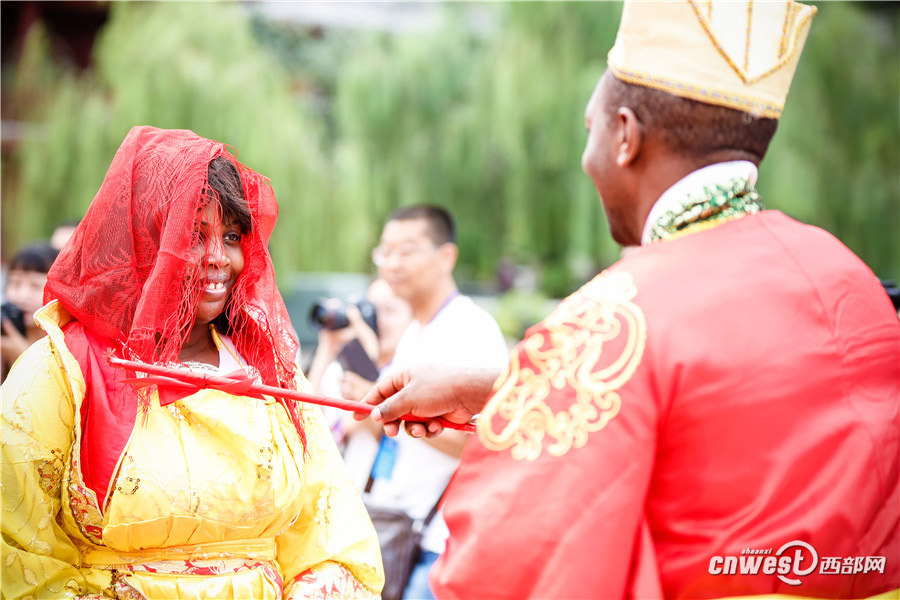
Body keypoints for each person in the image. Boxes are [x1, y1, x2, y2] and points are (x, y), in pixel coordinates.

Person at [362, 2, 900, 598]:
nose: (585, 156)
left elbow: (516, 556)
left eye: (590, 129)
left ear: (625, 135)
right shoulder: (848, 278)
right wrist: (507, 389)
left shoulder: (612, 319)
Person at [1, 126, 384, 599]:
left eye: (230, 235)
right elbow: (16, 548)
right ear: (145, 240)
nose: (218, 259)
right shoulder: (63, 369)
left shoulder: (269, 371)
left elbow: (329, 528)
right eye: (193, 235)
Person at [369, 205, 509, 600]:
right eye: (385, 251)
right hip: (405, 528)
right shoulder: (416, 330)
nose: (392, 262)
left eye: (407, 250)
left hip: (443, 539)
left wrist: (399, 412)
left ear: (446, 256)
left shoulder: (470, 328)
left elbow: (488, 439)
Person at [308, 277, 413, 490]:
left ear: (413, 318)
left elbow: (357, 423)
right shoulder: (343, 368)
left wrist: (368, 359)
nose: (378, 319)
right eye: (371, 309)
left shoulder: (409, 375)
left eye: (389, 310)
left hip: (385, 505)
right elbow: (307, 420)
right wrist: (327, 350)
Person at [1, 243, 59, 381]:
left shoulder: (66, 345)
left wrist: (21, 356)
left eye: (35, 286)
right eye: (15, 283)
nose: (23, 295)